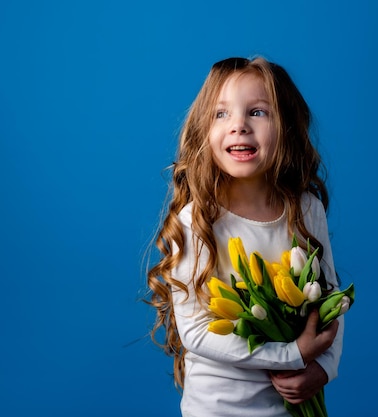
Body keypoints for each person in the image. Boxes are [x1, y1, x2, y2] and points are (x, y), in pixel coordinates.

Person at [145, 56, 344, 417]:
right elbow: (197, 333)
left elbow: (331, 304)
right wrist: (293, 354)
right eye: (221, 114)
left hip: (290, 408)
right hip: (216, 410)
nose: (239, 126)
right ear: (203, 129)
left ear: (286, 125)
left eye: (258, 112)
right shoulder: (198, 221)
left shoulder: (305, 209)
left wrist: (322, 369)